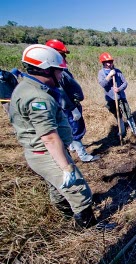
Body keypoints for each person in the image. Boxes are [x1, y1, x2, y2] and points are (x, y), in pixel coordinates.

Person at [9, 44, 97, 229]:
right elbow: (48, 137)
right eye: (58, 71)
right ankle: (91, 230)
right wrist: (66, 167)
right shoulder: (38, 98)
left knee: (57, 188)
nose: (61, 75)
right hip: (46, 153)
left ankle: (67, 220)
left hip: (41, 153)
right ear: (47, 70)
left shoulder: (27, 87)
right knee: (79, 191)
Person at [46, 39, 99, 162]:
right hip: (69, 107)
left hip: (70, 105)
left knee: (71, 129)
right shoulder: (55, 73)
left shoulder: (60, 70)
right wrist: (72, 108)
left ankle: (73, 147)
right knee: (75, 129)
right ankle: (83, 155)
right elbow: (61, 92)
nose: (64, 57)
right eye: (62, 55)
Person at [97, 52, 136, 137]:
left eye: (111, 61)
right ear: (103, 63)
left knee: (127, 113)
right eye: (107, 62)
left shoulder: (118, 71)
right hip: (110, 98)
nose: (110, 64)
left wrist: (119, 89)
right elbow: (103, 84)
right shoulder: (101, 73)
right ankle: (122, 131)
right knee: (117, 115)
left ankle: (134, 130)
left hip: (121, 97)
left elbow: (125, 83)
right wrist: (109, 75)